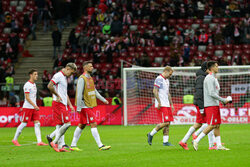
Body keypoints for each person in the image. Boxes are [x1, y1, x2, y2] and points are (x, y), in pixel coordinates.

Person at [70, 61, 111, 151]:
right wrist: (79, 107)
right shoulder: (82, 78)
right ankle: (100, 145)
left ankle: (73, 145)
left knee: (82, 125)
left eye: (92, 66)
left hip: (89, 105)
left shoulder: (90, 78)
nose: (92, 67)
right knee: (94, 123)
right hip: (85, 106)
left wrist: (103, 99)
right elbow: (79, 94)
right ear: (85, 68)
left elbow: (94, 91)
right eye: (90, 66)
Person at [192, 61, 231, 151]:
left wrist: (221, 101)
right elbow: (211, 93)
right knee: (212, 125)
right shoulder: (209, 78)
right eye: (216, 66)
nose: (218, 67)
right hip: (210, 105)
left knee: (217, 125)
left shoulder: (213, 78)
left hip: (215, 104)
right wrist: (223, 100)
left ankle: (219, 145)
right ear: (212, 68)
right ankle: (196, 140)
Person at [179, 62, 216, 150]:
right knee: (209, 123)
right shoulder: (201, 78)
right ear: (205, 69)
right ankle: (211, 145)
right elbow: (199, 93)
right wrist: (202, 107)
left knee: (199, 123)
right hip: (202, 104)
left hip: (202, 103)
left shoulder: (202, 77)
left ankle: (183, 141)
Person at [12, 69, 48, 146]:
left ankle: (39, 141)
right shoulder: (27, 85)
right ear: (30, 75)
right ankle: (15, 140)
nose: (36, 76)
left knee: (37, 123)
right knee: (24, 124)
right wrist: (35, 105)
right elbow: (27, 98)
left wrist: (34, 106)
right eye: (35, 74)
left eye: (37, 74)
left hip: (33, 108)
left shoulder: (34, 85)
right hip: (28, 107)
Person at [46, 63, 77, 152]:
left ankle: (60, 147)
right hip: (58, 103)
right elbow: (49, 85)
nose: (71, 75)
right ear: (67, 68)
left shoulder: (64, 78)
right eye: (71, 73)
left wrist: (70, 105)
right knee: (67, 123)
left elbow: (64, 93)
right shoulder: (58, 75)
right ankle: (54, 142)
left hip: (63, 103)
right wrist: (57, 95)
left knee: (60, 125)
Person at [147, 66, 174, 146]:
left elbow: (168, 93)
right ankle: (151, 134)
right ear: (166, 71)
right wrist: (159, 102)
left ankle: (165, 141)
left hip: (167, 104)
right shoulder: (159, 79)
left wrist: (171, 104)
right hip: (162, 104)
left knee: (168, 123)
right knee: (165, 122)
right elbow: (155, 91)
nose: (170, 75)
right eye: (170, 74)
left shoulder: (167, 80)